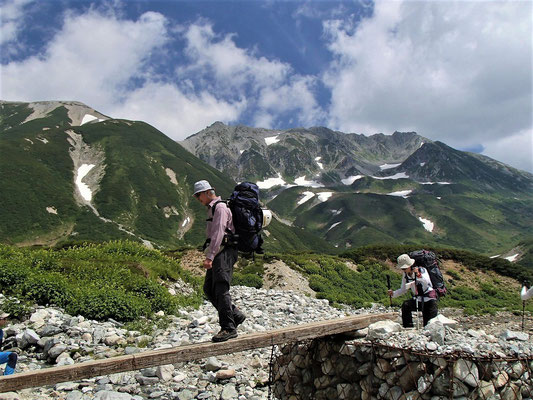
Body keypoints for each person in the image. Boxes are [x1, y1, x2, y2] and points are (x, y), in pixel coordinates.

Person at [193, 180, 246, 342]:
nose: (197, 199)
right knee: (209, 288)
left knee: (221, 289)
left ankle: (228, 328)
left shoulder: (220, 208)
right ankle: (235, 315)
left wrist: (210, 256)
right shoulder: (213, 208)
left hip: (224, 252)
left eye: (198, 195)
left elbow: (218, 234)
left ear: (208, 192)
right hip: (219, 252)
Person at [388, 254, 438, 328]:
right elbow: (403, 289)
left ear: (410, 265)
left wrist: (418, 275)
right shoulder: (405, 275)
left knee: (429, 326)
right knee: (406, 305)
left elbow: (427, 282)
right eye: (402, 269)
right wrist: (393, 294)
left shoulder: (422, 270)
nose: (403, 270)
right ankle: (408, 327)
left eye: (405, 268)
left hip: (429, 300)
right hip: (419, 299)